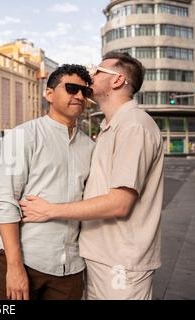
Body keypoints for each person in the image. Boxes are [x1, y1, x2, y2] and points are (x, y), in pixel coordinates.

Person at [20, 52, 165, 300]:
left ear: (117, 81)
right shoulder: (112, 127)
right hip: (101, 259)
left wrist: (50, 210)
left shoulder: (134, 126)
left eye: (98, 71)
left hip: (121, 265)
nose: (91, 76)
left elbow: (120, 203)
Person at [0, 65, 95, 300]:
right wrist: (15, 267)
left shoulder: (90, 146)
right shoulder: (23, 136)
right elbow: (6, 200)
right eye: (71, 88)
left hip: (71, 269)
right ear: (49, 94)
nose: (79, 96)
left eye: (84, 91)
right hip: (26, 261)